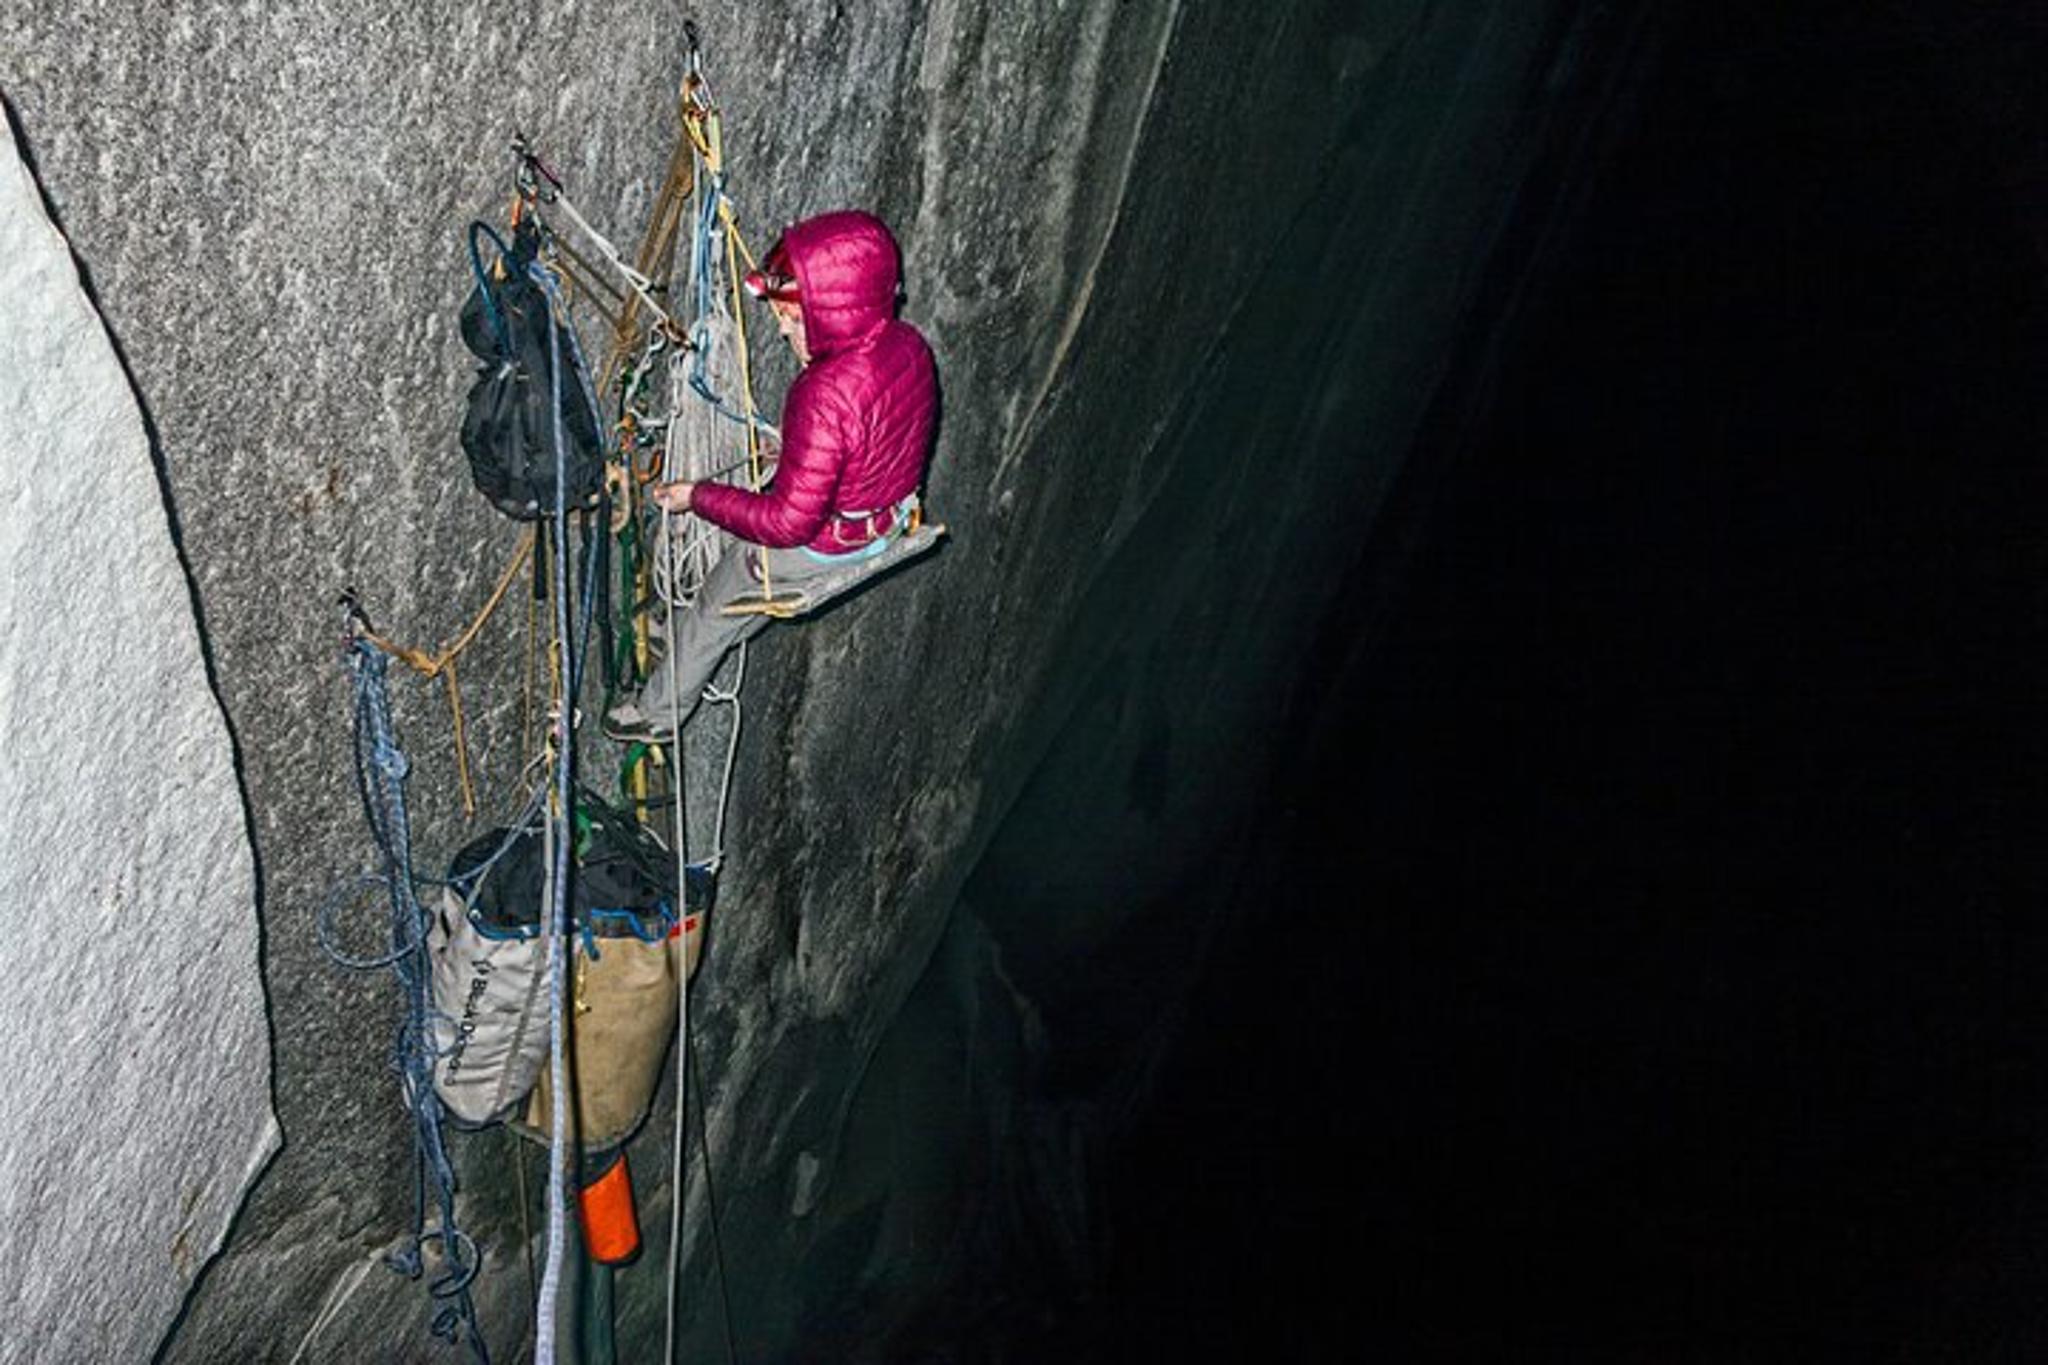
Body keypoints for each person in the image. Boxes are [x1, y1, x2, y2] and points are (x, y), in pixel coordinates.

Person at [604, 209, 937, 740]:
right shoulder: (908, 344)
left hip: (824, 543)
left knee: (723, 599)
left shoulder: (821, 393)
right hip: (887, 520)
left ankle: (656, 716)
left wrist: (698, 495)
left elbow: (787, 525)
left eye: (792, 315)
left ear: (833, 311)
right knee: (738, 585)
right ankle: (693, 627)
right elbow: (877, 435)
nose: (782, 327)